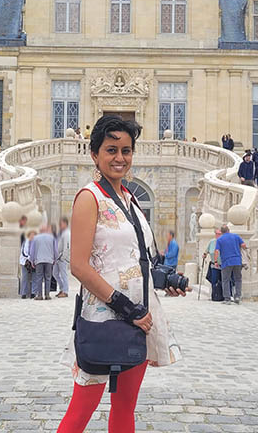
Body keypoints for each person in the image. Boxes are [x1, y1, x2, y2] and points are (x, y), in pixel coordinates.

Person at [57, 115, 184, 433]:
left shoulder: (131, 200)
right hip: (106, 316)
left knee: (125, 409)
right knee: (81, 411)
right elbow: (79, 266)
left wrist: (166, 280)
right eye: (111, 150)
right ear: (94, 154)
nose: (120, 158)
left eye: (126, 150)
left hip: (141, 317)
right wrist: (128, 309)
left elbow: (138, 258)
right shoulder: (89, 198)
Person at [214, 224, 247, 304]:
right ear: (229, 230)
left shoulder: (220, 239)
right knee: (238, 279)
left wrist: (216, 261)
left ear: (221, 232)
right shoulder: (236, 236)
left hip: (226, 262)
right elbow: (244, 245)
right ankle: (237, 296)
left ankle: (227, 298)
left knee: (225, 280)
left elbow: (217, 251)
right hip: (237, 261)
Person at [30, 224, 56, 300]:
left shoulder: (35, 238)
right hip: (49, 260)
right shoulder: (52, 238)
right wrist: (54, 259)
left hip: (39, 260)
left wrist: (32, 260)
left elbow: (32, 251)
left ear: (40, 230)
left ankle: (39, 295)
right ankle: (47, 295)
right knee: (48, 277)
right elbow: (55, 250)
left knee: (39, 278)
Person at [204, 227, 224, 302]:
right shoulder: (212, 242)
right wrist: (204, 254)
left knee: (222, 280)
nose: (218, 235)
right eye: (216, 234)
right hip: (214, 265)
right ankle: (214, 296)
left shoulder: (224, 242)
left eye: (219, 234)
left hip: (222, 265)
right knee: (214, 280)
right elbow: (207, 251)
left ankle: (222, 296)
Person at [55, 217, 71, 298]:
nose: (59, 225)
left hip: (62, 258)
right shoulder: (62, 233)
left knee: (63, 274)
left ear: (65, 223)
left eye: (61, 223)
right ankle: (62, 288)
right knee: (55, 273)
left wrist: (63, 257)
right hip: (57, 258)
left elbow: (67, 247)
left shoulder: (67, 233)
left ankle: (65, 291)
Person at [20, 229, 36, 298]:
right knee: (25, 277)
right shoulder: (25, 242)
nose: (33, 236)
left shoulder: (35, 243)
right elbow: (24, 252)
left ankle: (33, 292)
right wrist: (30, 258)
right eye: (32, 235)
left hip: (33, 262)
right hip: (25, 261)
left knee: (34, 277)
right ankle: (23, 293)